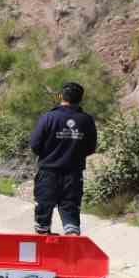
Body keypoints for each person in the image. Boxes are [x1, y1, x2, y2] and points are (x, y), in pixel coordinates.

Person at [29, 83, 99, 235]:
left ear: (61, 96)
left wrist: (50, 155)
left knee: (43, 212)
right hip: (73, 175)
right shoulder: (86, 120)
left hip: (48, 173)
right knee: (70, 210)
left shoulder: (48, 118)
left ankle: (43, 245)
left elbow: (35, 145)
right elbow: (91, 148)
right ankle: (72, 246)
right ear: (80, 99)